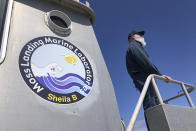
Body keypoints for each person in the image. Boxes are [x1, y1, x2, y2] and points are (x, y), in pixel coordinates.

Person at [126, 30, 172, 130]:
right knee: (151, 102)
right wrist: (160, 74)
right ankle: (156, 128)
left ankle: (160, 127)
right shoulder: (134, 46)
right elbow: (145, 61)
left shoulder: (137, 47)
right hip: (143, 77)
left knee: (155, 102)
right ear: (132, 37)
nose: (142, 37)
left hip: (146, 77)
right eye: (140, 35)